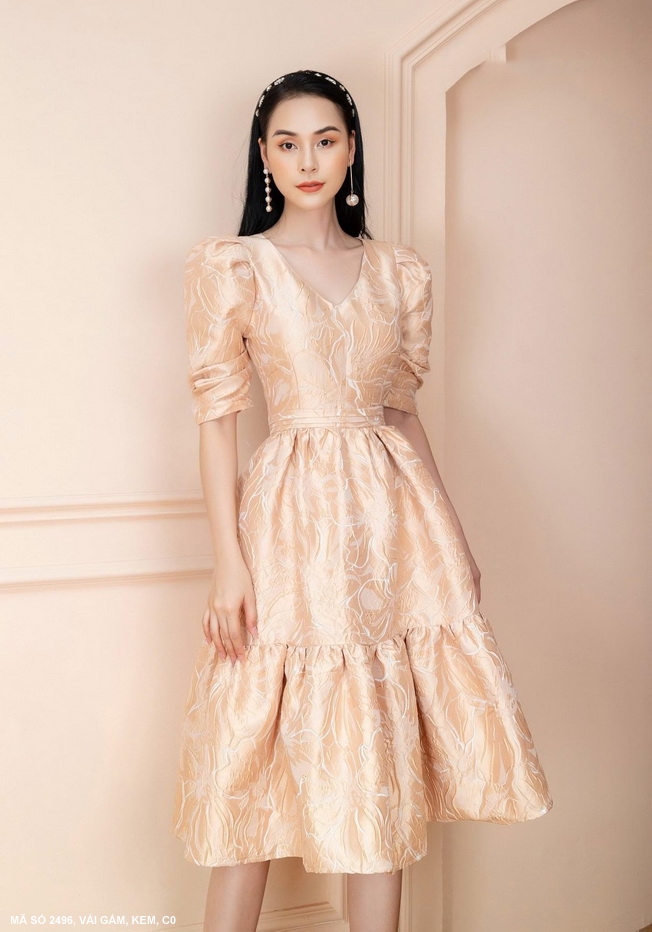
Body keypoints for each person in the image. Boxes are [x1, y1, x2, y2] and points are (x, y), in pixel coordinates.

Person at [172, 69, 553, 932]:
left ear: (351, 150)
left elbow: (401, 413)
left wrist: (453, 539)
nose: (308, 160)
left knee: (376, 755)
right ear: (265, 156)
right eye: (288, 143)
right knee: (251, 753)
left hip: (389, 528)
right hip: (286, 522)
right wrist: (228, 563)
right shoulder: (234, 267)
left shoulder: (397, 272)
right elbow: (216, 423)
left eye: (326, 140)